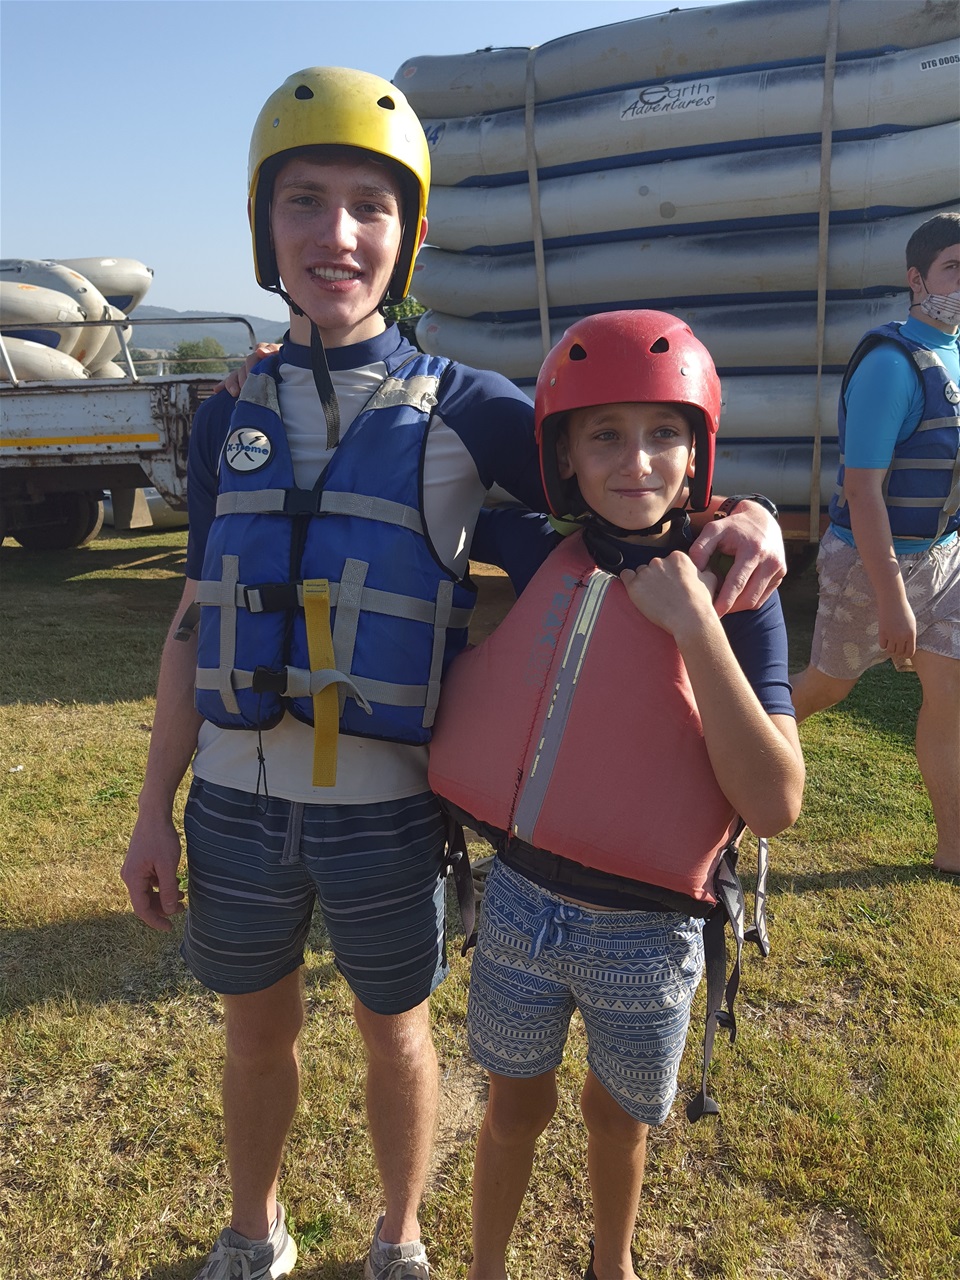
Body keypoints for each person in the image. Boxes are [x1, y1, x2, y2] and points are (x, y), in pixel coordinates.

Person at [120, 66, 787, 1280]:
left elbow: (624, 486)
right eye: (306, 201)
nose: (337, 233)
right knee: (254, 1031)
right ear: (264, 227)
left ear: (410, 235)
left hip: (383, 808)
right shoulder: (226, 416)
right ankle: (255, 1229)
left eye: (370, 207)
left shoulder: (469, 408)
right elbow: (193, 615)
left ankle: (402, 1234)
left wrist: (752, 514)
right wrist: (153, 803)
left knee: (396, 1032)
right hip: (234, 800)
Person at [427, 310, 805, 1280]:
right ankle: (486, 1267)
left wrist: (697, 623)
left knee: (617, 1116)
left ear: (697, 450)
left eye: (663, 433)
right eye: (605, 434)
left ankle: (614, 1265)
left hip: (651, 932)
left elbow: (774, 801)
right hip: (520, 905)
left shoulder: (737, 593)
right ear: (565, 454)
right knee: (513, 1107)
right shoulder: (532, 548)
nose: (636, 461)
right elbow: (425, 477)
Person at [791, 212, 960, 875]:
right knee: (825, 689)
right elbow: (863, 492)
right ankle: (728, 744)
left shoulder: (955, 354)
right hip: (871, 563)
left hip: (944, 555)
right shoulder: (892, 366)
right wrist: (893, 602)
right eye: (953, 269)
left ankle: (954, 847)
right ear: (917, 279)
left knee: (950, 693)